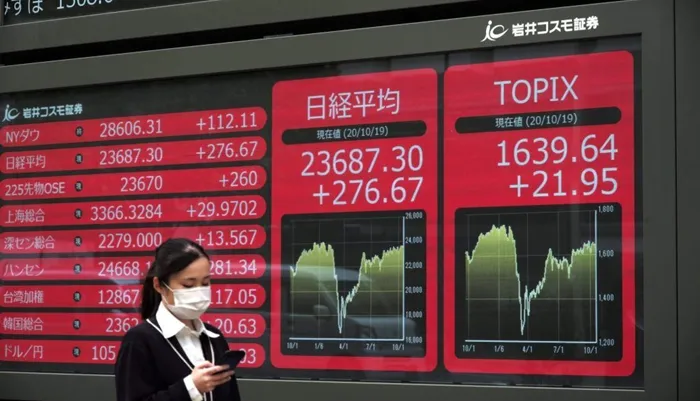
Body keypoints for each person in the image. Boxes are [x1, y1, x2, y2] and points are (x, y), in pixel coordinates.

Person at [115, 238, 241, 401]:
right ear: (159, 285)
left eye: (205, 283)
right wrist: (191, 388)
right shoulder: (140, 340)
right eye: (188, 285)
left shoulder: (213, 337)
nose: (199, 292)